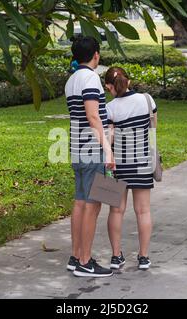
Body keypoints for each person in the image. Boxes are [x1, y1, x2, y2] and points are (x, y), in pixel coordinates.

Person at [65, 36, 115, 278]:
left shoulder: (72, 80)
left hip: (77, 147)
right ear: (96, 54)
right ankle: (85, 261)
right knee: (91, 206)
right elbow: (93, 116)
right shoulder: (91, 79)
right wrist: (107, 148)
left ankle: (76, 256)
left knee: (80, 202)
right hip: (92, 148)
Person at [104, 67, 157, 270]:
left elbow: (110, 138)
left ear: (110, 86)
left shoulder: (110, 108)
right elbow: (153, 130)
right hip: (142, 160)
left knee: (116, 211)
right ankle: (143, 257)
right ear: (129, 81)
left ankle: (116, 256)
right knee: (143, 211)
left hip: (117, 163)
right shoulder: (147, 100)